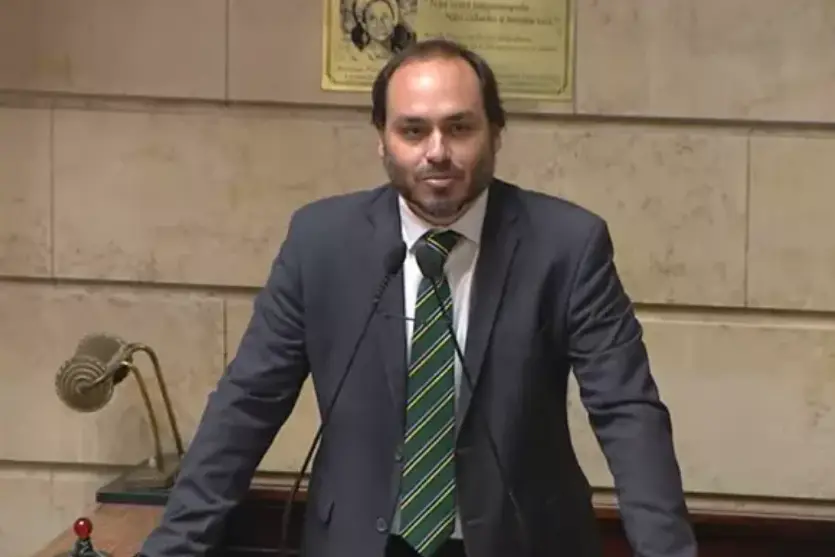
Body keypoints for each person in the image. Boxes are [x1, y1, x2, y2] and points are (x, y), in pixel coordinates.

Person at [136, 38, 698, 557]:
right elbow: (247, 404)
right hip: (361, 542)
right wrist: (172, 547)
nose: (437, 152)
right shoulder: (321, 242)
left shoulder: (567, 246)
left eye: (459, 127)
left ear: (496, 132)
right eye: (413, 130)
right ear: (381, 138)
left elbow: (627, 411)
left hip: (519, 539)